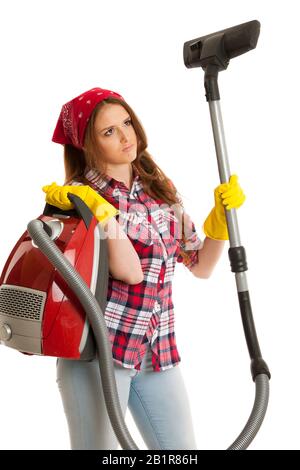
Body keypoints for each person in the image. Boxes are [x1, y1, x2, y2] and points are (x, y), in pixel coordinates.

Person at [42, 86, 246, 450]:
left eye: (127, 123)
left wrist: (220, 221)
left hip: (156, 350)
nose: (125, 137)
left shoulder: (158, 187)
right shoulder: (75, 197)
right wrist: (101, 215)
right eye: (109, 131)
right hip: (98, 355)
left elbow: (200, 264)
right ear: (86, 145)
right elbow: (131, 272)